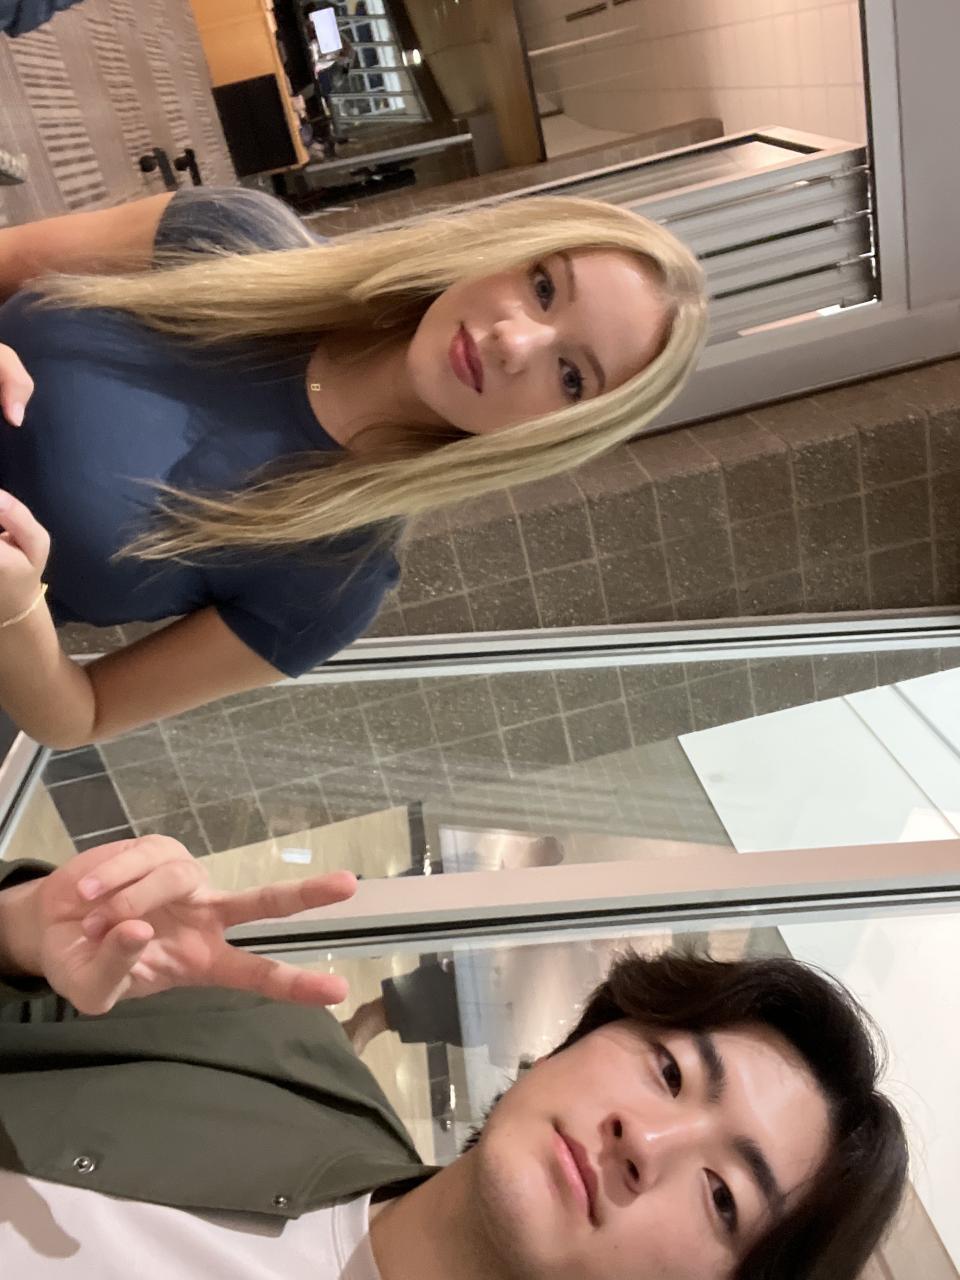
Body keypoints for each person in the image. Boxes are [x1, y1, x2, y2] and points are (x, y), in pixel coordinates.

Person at [0, 835, 908, 1279]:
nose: (645, 1139)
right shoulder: (259, 1035)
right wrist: (20, 936)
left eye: (723, 1196)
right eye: (670, 1072)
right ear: (576, 1040)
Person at [0, 184, 707, 749]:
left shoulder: (335, 578)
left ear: (561, 433)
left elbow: (81, 717)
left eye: (572, 377)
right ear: (507, 247)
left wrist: (17, 609)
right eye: (544, 287)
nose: (514, 341)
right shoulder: (233, 236)